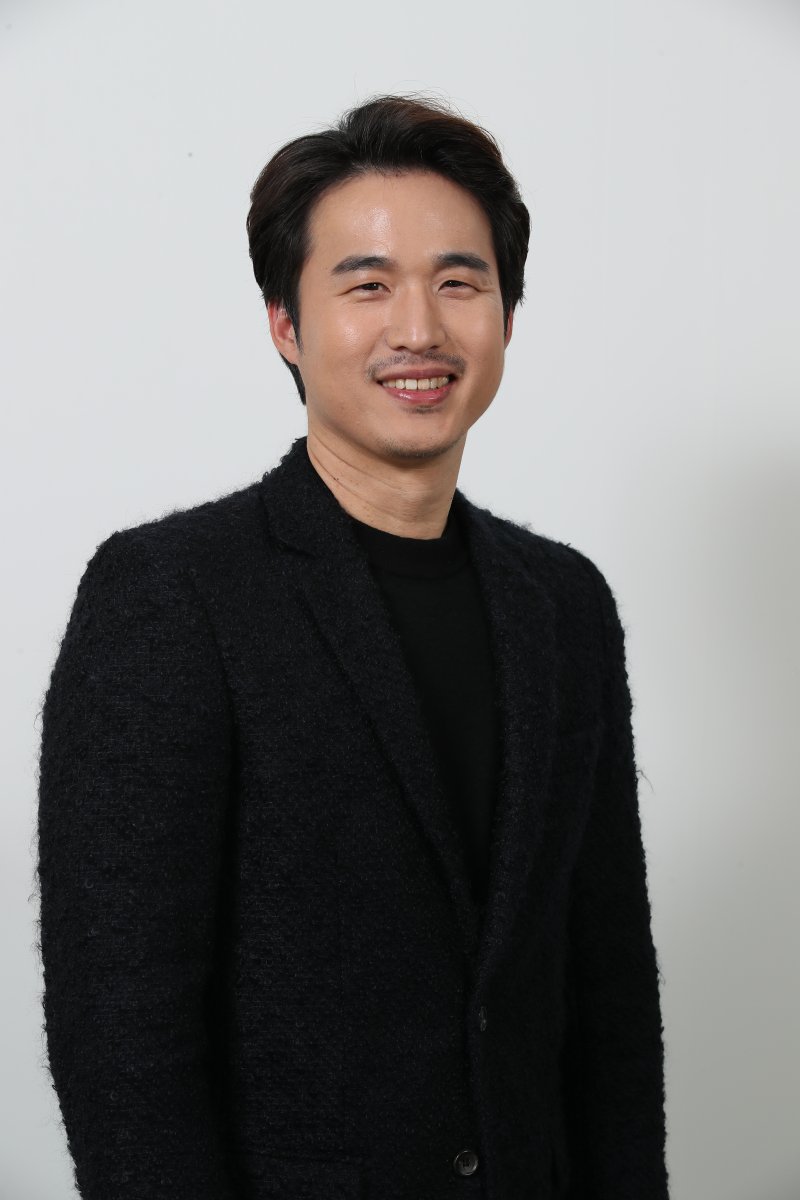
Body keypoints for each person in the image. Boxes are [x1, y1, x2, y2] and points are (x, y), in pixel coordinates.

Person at [36, 94, 670, 1200]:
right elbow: (122, 1034)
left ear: (506, 315)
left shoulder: (563, 604)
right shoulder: (172, 594)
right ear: (285, 324)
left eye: (459, 283)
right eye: (367, 285)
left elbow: (607, 988)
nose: (418, 329)